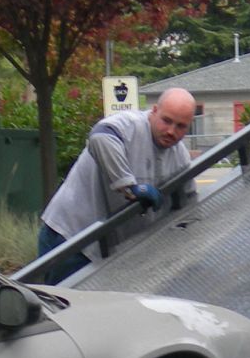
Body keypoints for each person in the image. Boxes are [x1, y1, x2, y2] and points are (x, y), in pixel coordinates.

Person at [37, 87, 198, 284]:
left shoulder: (180, 157)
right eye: (166, 121)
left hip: (112, 249)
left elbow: (189, 207)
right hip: (71, 237)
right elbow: (100, 136)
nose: (171, 131)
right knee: (64, 308)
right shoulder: (129, 125)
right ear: (154, 110)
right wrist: (129, 186)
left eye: (181, 126)